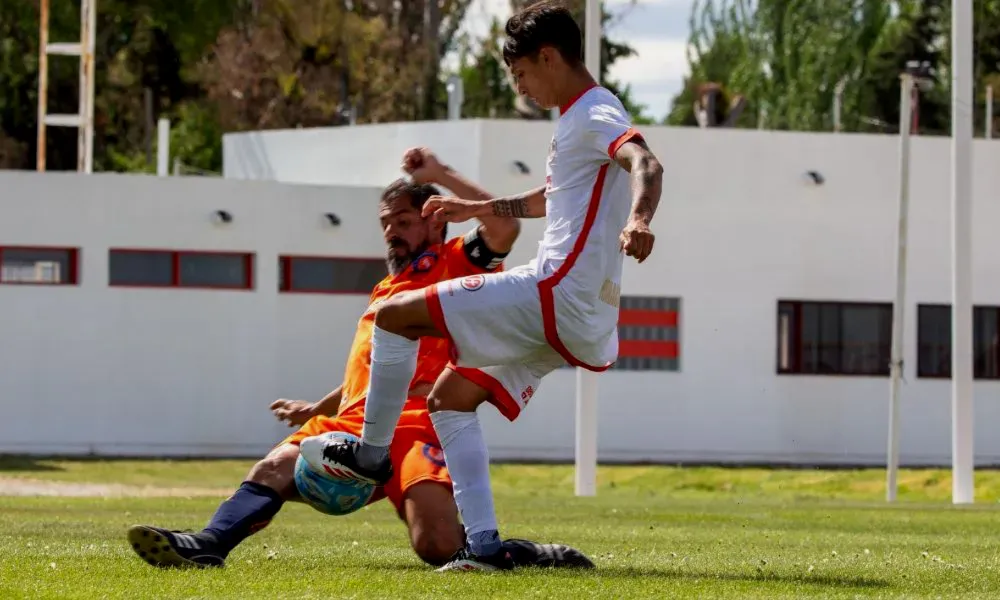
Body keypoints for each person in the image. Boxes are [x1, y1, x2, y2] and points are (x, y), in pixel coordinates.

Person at [125, 150, 594, 571]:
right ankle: (208, 544)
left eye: (403, 221)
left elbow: (504, 227)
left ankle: (516, 553)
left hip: (415, 426)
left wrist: (442, 174)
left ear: (435, 221)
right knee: (273, 467)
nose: (391, 232)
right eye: (386, 223)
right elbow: (369, 377)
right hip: (353, 424)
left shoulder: (456, 261)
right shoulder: (385, 290)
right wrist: (317, 409)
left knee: (437, 545)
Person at [321, 1, 664, 572]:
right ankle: (483, 549)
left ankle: (371, 454)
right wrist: (475, 208)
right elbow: (551, 199)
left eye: (521, 73)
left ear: (548, 57)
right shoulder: (580, 119)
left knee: (394, 316)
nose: (521, 87)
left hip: (552, 294)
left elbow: (646, 162)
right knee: (449, 401)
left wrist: (640, 220)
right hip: (583, 321)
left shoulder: (593, 112)